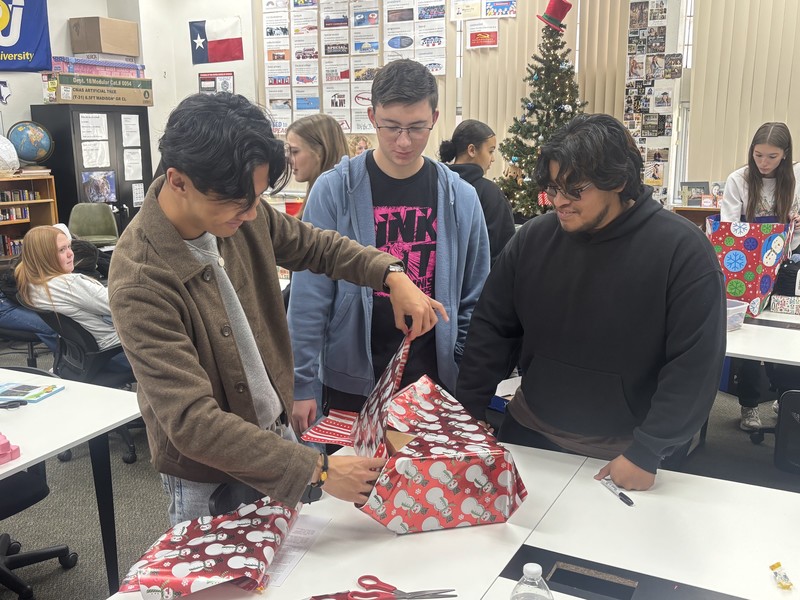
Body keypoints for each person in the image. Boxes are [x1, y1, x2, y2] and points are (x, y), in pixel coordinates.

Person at [107, 92, 446, 525]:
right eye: (237, 202)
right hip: (209, 477)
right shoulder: (141, 276)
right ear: (179, 182)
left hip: (277, 439)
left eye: (257, 198)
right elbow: (192, 421)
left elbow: (317, 246)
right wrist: (317, 470)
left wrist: (392, 275)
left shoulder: (240, 212)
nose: (251, 215)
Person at [456, 114, 726, 492]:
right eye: (553, 188)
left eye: (574, 190)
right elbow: (493, 329)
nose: (560, 202)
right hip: (527, 434)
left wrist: (647, 451)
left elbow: (695, 364)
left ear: (616, 181)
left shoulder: (683, 252)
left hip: (625, 454)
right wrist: (466, 413)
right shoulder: (534, 238)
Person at [288, 59, 490, 435]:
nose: (403, 141)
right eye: (391, 127)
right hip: (352, 383)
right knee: (354, 489)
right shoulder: (334, 191)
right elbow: (309, 299)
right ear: (371, 116)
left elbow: (475, 298)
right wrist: (302, 383)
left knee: (426, 491)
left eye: (416, 128)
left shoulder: (461, 198)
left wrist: (459, 364)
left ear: (435, 117)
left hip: (432, 384)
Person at [720, 122, 800, 430]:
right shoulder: (738, 180)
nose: (764, 163)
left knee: (785, 334)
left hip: (784, 267)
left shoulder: (794, 179)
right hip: (747, 269)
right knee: (748, 337)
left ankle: (786, 399)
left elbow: (793, 235)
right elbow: (728, 229)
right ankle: (749, 406)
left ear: (785, 155)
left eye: (772, 156)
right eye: (758, 155)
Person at [15, 226, 132, 373]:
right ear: (44, 256)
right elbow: (120, 304)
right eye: (61, 250)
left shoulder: (33, 284)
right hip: (115, 346)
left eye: (69, 247)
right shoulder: (68, 285)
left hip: (83, 356)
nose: (71, 254)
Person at [439, 119, 515, 264]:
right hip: (481, 283)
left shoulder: (437, 185)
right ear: (472, 150)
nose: (492, 159)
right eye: (491, 151)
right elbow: (504, 252)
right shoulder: (490, 193)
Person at [286, 113, 350, 216]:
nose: (289, 159)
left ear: (320, 151)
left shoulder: (327, 195)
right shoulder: (327, 191)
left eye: (295, 151)